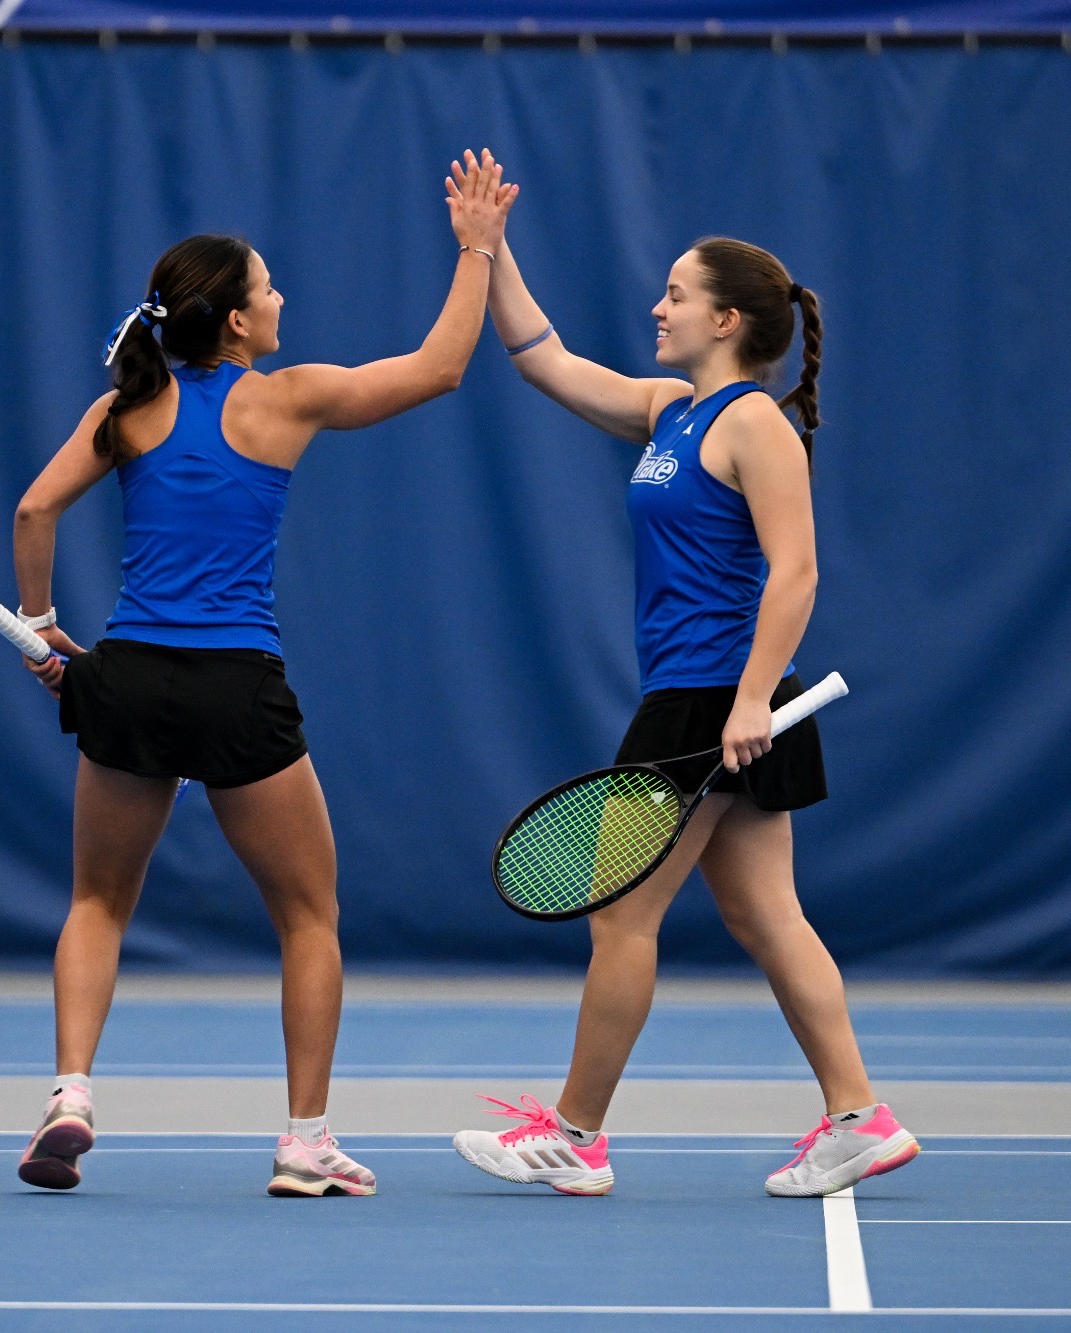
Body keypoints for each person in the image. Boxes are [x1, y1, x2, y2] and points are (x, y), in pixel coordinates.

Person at [10, 153, 516, 1196]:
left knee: (97, 901)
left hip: (128, 676)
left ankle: (70, 1093)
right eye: (270, 288)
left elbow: (33, 509)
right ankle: (304, 1142)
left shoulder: (126, 408)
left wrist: (44, 631)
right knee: (308, 915)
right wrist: (476, 250)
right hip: (235, 683)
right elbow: (439, 368)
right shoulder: (287, 399)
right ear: (237, 322)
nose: (282, 298)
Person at [450, 157, 917, 1197]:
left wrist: (748, 700)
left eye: (675, 294)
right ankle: (861, 1117)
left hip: (714, 700)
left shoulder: (755, 424)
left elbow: (796, 572)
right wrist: (489, 249)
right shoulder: (672, 411)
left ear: (727, 320)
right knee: (766, 916)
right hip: (708, 697)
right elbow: (544, 360)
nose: (656, 308)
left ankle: (576, 1136)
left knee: (619, 916)